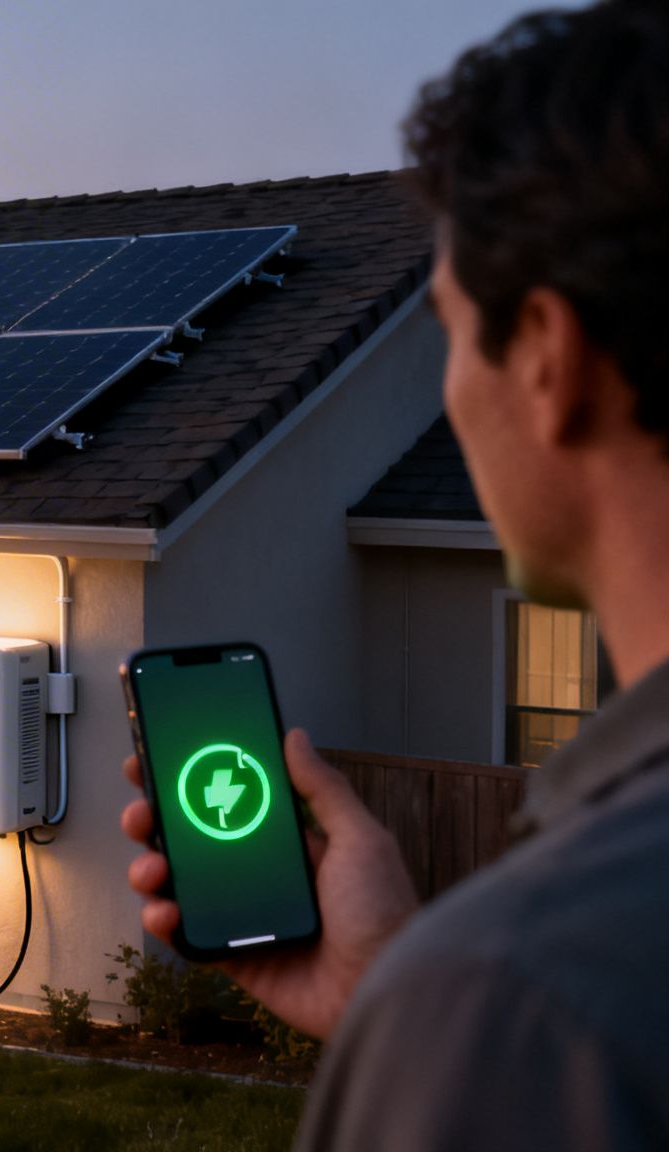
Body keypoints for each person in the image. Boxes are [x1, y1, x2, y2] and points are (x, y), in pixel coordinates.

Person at [121, 3, 669, 1147]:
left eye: (449, 337)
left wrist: (432, 1020)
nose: (448, 397)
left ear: (548, 361)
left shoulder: (524, 1000)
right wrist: (392, 996)